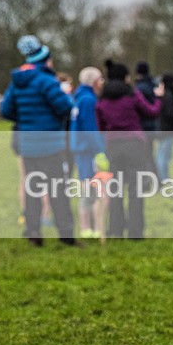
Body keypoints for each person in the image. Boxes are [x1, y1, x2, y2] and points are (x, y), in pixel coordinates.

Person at [1, 35, 79, 247]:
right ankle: (66, 234)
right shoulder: (47, 80)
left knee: (32, 191)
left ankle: (33, 231)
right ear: (45, 60)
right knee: (57, 191)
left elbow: (6, 110)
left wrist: (26, 119)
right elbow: (65, 107)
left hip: (28, 145)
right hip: (51, 145)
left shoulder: (16, 82)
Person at [95, 59, 162, 239]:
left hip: (113, 146)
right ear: (125, 78)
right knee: (135, 189)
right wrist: (159, 98)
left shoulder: (102, 100)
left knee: (116, 190)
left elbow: (100, 127)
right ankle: (135, 232)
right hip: (135, 145)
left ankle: (116, 230)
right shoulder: (133, 95)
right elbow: (152, 111)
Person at [69, 66, 106, 238]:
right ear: (94, 81)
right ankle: (91, 228)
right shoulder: (89, 100)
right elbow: (91, 129)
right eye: (100, 79)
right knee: (92, 191)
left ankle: (87, 228)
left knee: (87, 188)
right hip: (88, 151)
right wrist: (100, 151)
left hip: (80, 150)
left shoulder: (79, 98)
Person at [154, 72, 173, 183]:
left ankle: (164, 176)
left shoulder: (164, 95)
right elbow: (170, 114)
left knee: (163, 154)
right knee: (163, 155)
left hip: (164, 130)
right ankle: (163, 178)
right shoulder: (168, 95)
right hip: (168, 130)